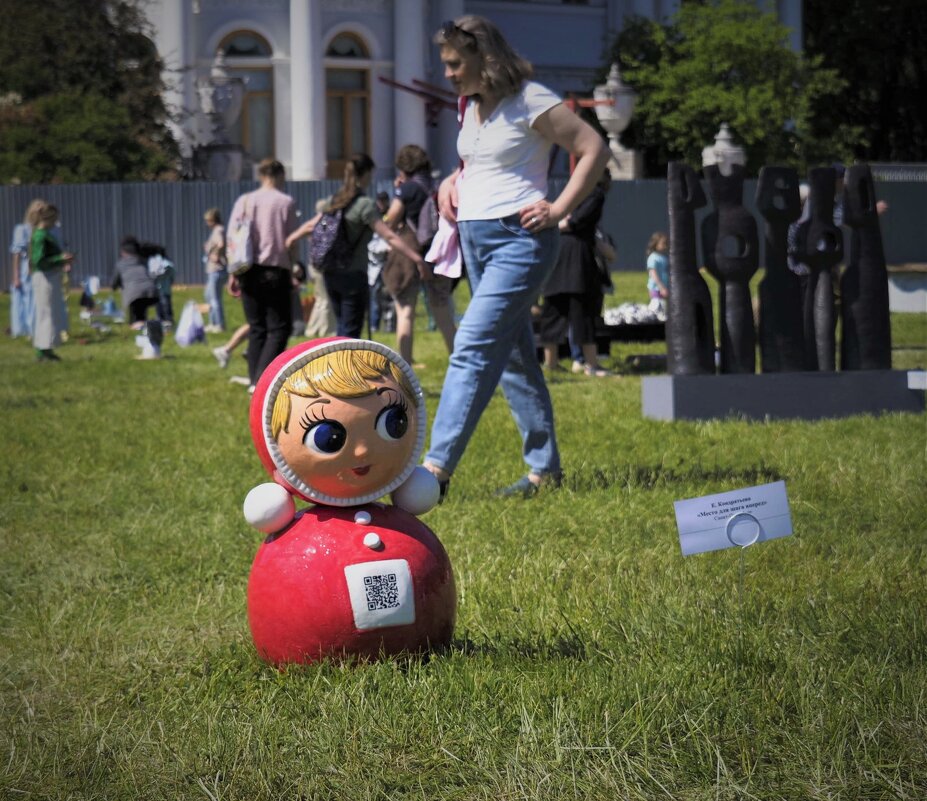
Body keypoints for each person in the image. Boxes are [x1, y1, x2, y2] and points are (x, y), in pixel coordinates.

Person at [421, 16, 609, 499]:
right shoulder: (472, 105)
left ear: (486, 58)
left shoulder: (532, 99)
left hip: (518, 241)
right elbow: (482, 161)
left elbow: (593, 148)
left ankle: (434, 473)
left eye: (454, 63)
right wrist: (452, 180)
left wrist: (560, 208)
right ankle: (544, 473)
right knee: (515, 360)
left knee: (471, 346)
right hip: (476, 240)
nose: (447, 72)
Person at [287, 153, 427, 340]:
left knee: (341, 327)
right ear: (366, 174)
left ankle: (338, 365)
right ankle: (344, 368)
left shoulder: (335, 200)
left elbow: (312, 225)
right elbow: (389, 236)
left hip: (331, 273)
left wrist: (291, 238)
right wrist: (417, 258)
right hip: (353, 274)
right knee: (351, 332)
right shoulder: (364, 205)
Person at [227, 158, 299, 391]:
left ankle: (253, 381)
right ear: (279, 175)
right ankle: (262, 379)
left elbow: (233, 240)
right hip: (275, 270)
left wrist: (232, 273)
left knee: (256, 326)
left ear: (260, 175)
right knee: (279, 327)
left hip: (247, 270)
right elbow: (290, 241)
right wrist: (295, 267)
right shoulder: (285, 202)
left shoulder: (245, 201)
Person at [382, 144, 457, 364]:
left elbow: (392, 218)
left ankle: (406, 363)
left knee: (405, 311)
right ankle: (459, 359)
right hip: (437, 253)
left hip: (409, 255)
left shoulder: (407, 189)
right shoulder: (436, 186)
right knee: (442, 311)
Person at [539, 168, 613, 377]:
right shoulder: (594, 193)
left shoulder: (573, 190)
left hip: (560, 252)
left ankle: (551, 363)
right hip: (577, 255)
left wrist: (555, 224)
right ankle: (591, 364)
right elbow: (578, 220)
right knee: (582, 309)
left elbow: (565, 216)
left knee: (554, 306)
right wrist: (563, 223)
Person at [30, 204, 75, 361]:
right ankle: (43, 350)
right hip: (44, 277)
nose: (57, 221)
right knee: (46, 313)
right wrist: (59, 259)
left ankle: (47, 347)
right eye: (55, 217)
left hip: (51, 275)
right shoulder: (40, 236)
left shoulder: (46, 234)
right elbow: (38, 260)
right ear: (48, 217)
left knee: (51, 313)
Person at [9, 199, 45, 339]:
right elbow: (16, 254)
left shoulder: (44, 230)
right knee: (29, 300)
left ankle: (39, 328)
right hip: (27, 269)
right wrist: (16, 276)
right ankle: (30, 329)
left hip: (42, 268)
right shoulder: (22, 229)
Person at [111, 236, 158, 329]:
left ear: (123, 252)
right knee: (141, 312)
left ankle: (140, 328)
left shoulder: (121, 263)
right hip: (152, 291)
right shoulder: (142, 260)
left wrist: (114, 286)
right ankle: (146, 326)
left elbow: (114, 282)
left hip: (134, 293)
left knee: (136, 318)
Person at [202, 207, 227, 333]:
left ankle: (219, 324)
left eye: (208, 220)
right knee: (208, 296)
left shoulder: (218, 230)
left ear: (213, 219)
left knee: (214, 298)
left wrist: (215, 254)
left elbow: (221, 244)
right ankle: (213, 322)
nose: (207, 223)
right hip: (213, 270)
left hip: (217, 269)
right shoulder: (217, 230)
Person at [141, 241, 175, 328]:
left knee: (165, 305)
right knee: (160, 305)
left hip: (162, 286)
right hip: (160, 287)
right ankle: (162, 321)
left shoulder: (157, 258)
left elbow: (167, 268)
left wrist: (156, 275)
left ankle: (168, 321)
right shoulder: (155, 259)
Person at [645, 231, 669, 317]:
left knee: (663, 308)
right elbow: (653, 273)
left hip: (663, 288)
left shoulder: (663, 258)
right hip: (656, 288)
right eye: (663, 243)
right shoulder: (653, 257)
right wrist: (661, 287)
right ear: (655, 244)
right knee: (656, 305)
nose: (665, 246)